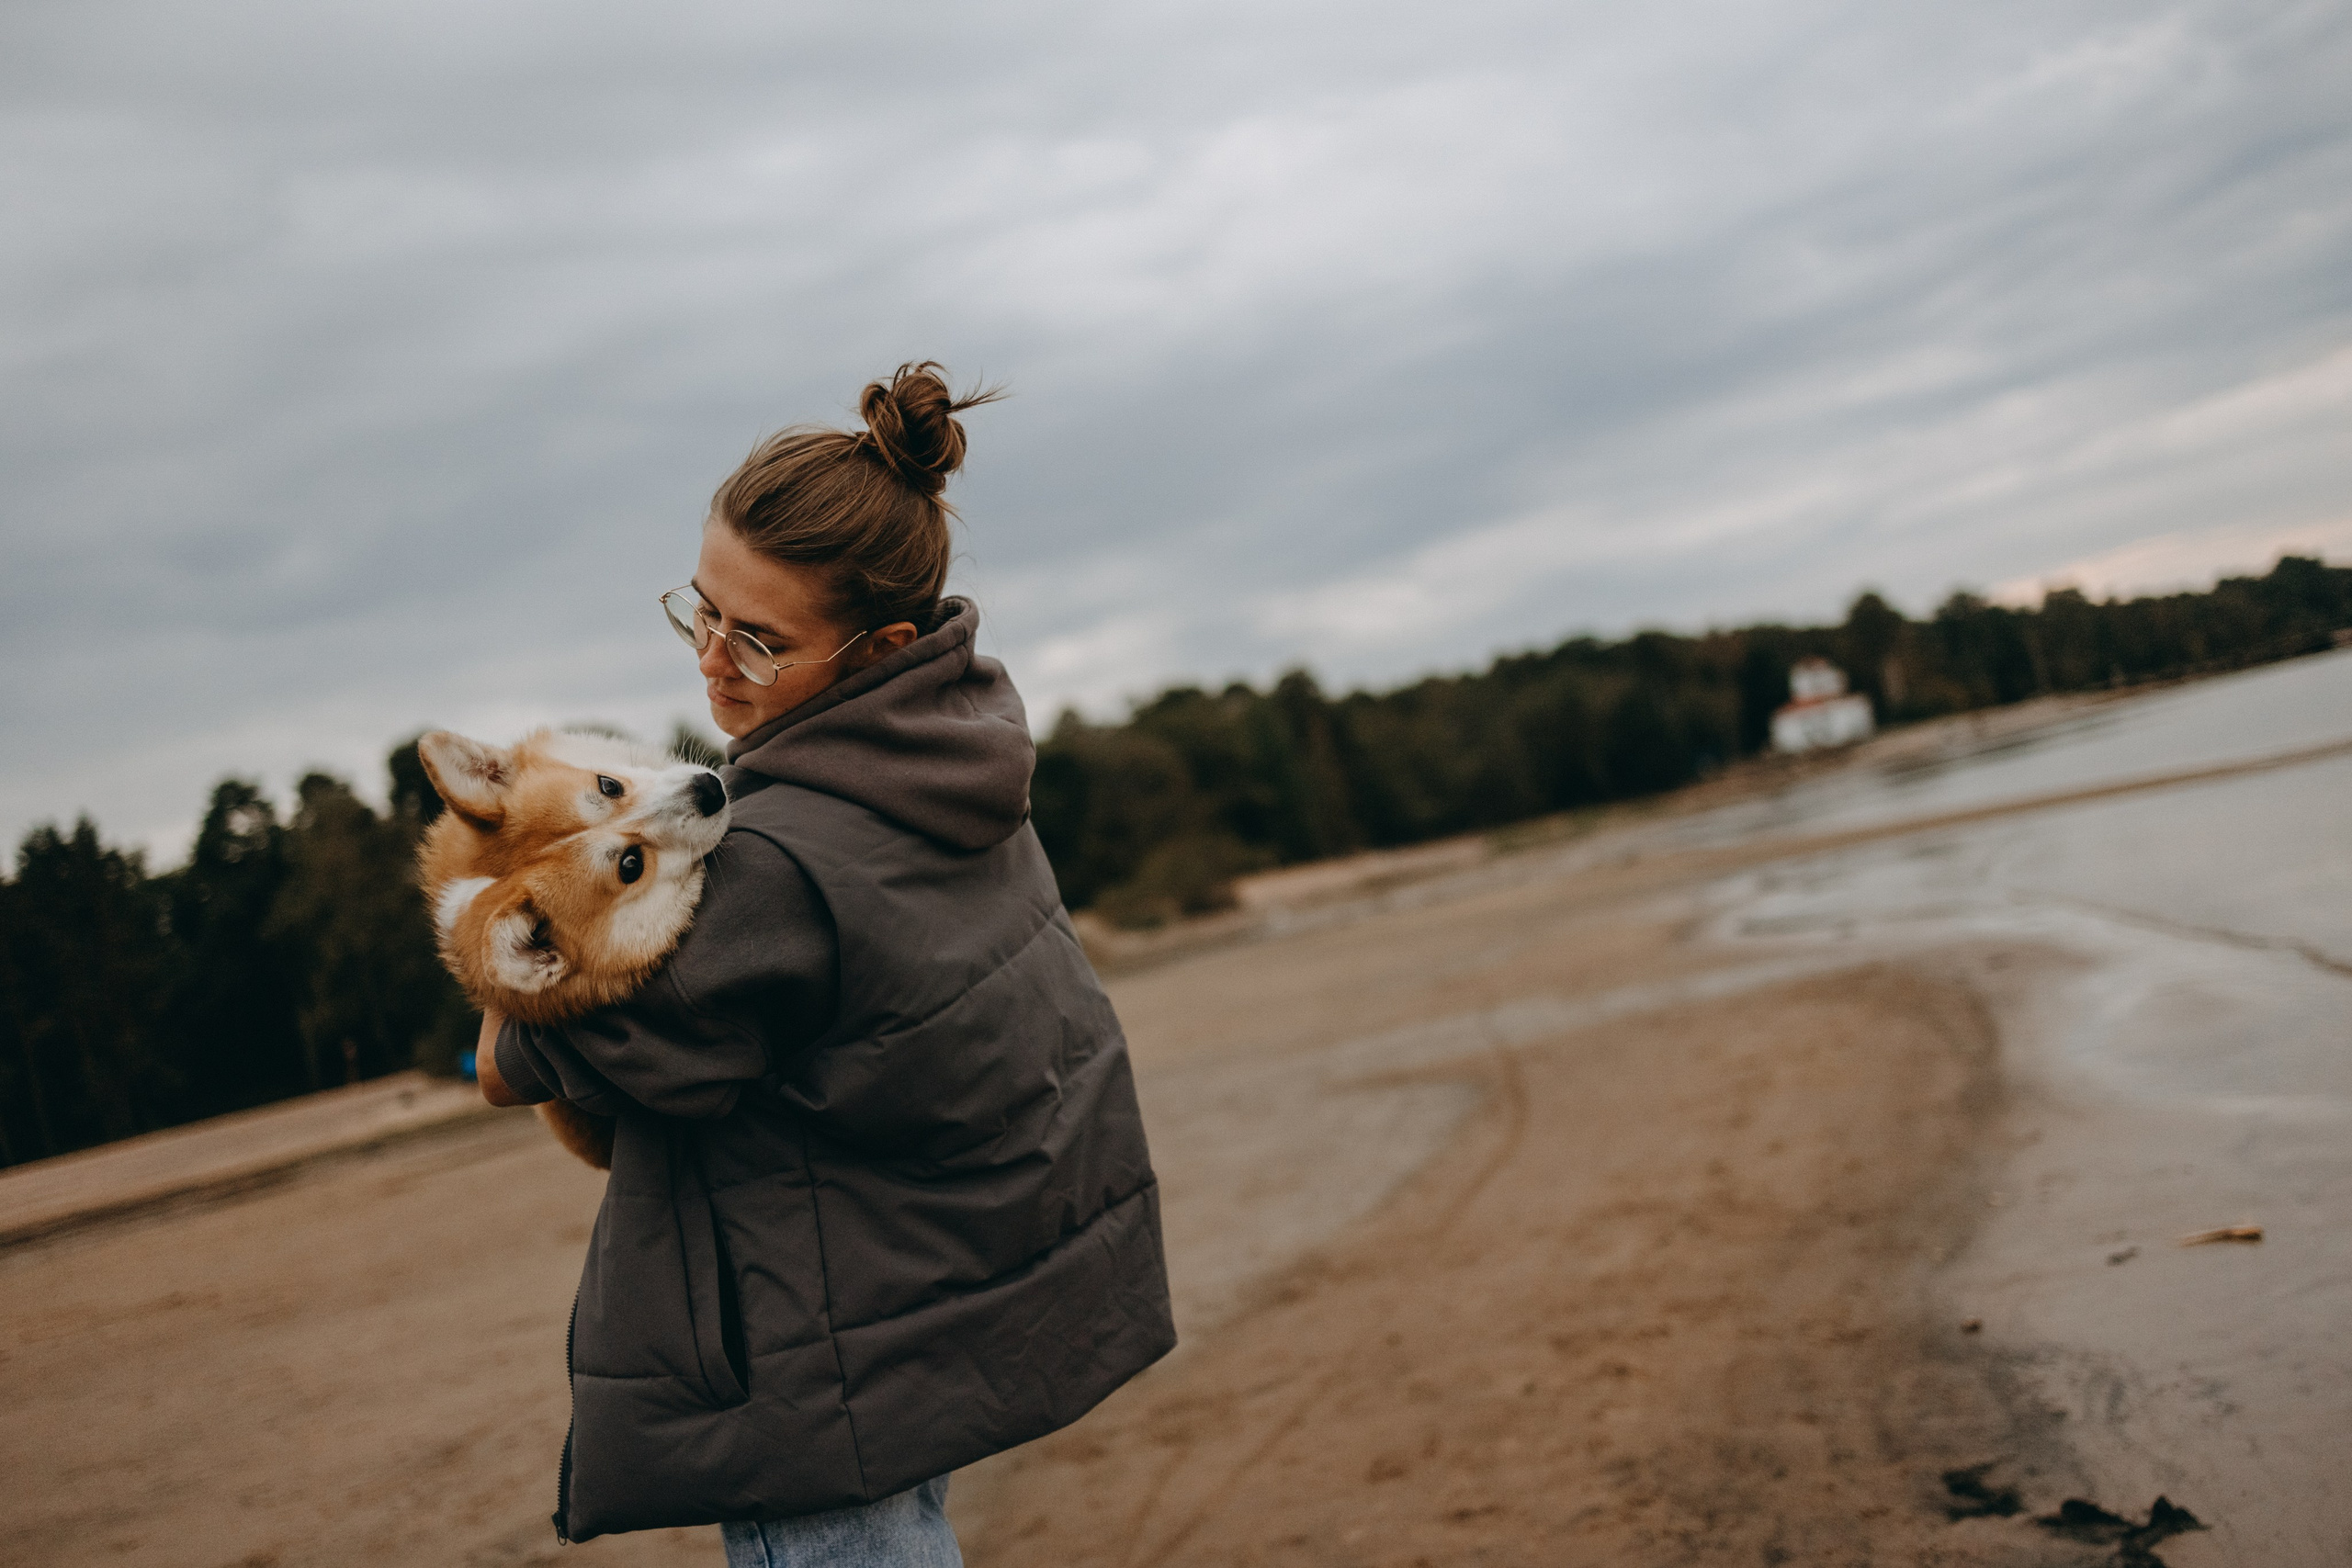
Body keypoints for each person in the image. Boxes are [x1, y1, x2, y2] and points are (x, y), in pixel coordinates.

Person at [475, 363, 1175, 1562]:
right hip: (903, 1304)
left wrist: (505, 1001)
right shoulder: (956, 761)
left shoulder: (785, 858)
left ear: (882, 643)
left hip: (823, 1339)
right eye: (700, 609)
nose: (713, 658)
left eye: (760, 639)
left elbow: (545, 1057)